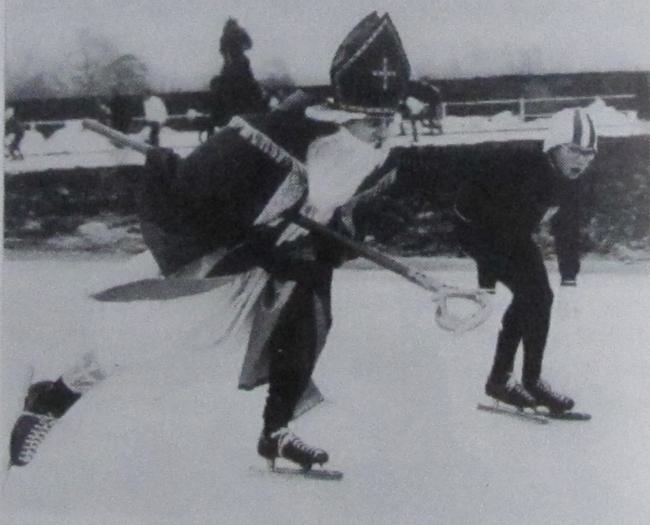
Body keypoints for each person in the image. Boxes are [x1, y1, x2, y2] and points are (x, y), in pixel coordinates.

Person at [9, 91, 406, 471]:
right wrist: (176, 173)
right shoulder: (276, 139)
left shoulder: (369, 161)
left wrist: (338, 234)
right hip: (223, 262)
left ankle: (276, 431)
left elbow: (345, 227)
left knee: (303, 329)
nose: (382, 132)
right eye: (373, 122)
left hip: (290, 266)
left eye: (388, 121)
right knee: (149, 335)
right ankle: (53, 398)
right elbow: (207, 182)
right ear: (341, 120)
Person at [454, 108, 597, 413]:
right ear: (554, 146)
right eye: (575, 150)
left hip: (513, 233)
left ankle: (528, 380)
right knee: (531, 295)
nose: (581, 161)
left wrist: (569, 277)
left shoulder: (570, 181)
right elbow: (482, 217)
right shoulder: (519, 166)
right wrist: (486, 281)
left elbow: (567, 229)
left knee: (540, 297)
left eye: (589, 154)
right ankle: (501, 379)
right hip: (476, 229)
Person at [208, 18, 267, 134]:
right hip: (241, 65)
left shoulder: (225, 36)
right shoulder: (241, 33)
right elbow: (249, 44)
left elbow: (223, 52)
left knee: (222, 90)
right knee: (252, 89)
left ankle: (219, 118)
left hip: (232, 66)